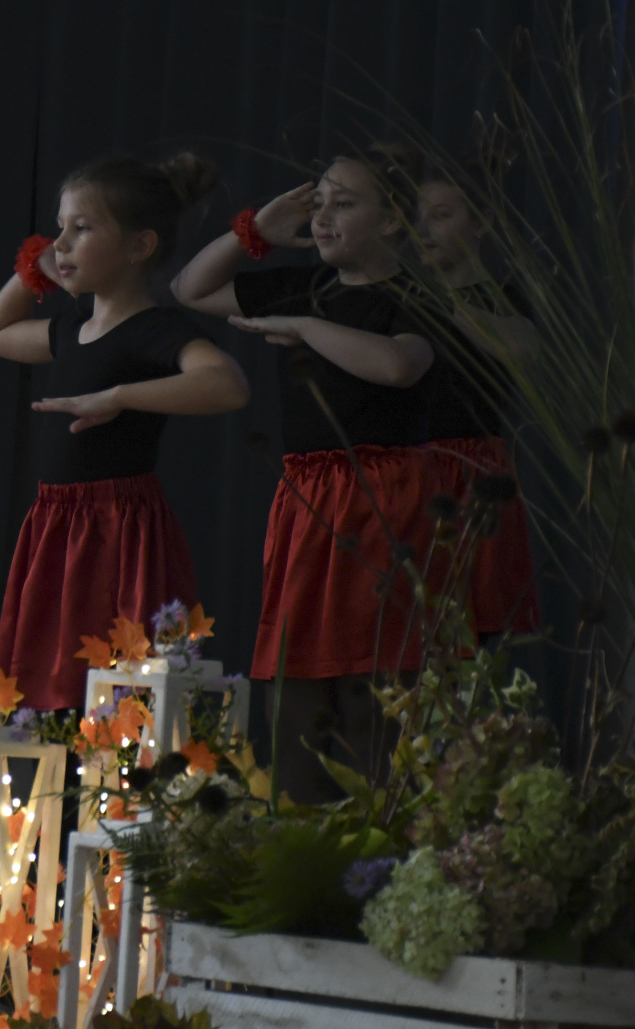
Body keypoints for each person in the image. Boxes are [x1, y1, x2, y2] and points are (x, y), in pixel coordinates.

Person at [171, 149, 435, 801]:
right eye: (317, 204)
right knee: (297, 679)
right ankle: (298, 822)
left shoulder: (414, 297)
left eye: (344, 204)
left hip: (382, 498)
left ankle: (384, 830)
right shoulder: (303, 286)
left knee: (376, 679)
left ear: (393, 219)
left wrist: (307, 327)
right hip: (309, 501)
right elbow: (189, 289)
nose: (322, 218)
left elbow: (399, 365)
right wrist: (253, 230)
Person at [0, 154, 249, 710]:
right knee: (50, 683)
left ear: (139, 246)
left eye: (81, 228)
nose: (60, 244)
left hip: (117, 531)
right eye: (59, 228)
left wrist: (119, 396)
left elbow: (227, 385)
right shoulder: (72, 329)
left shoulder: (155, 330)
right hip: (58, 527)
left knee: (117, 688)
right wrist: (34, 270)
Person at [414, 154, 541, 637]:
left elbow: (524, 347)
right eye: (419, 217)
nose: (424, 230)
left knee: (471, 626)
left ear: (482, 222)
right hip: (404, 475)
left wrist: (446, 304)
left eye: (441, 215)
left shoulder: (501, 297)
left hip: (472, 477)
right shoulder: (401, 298)